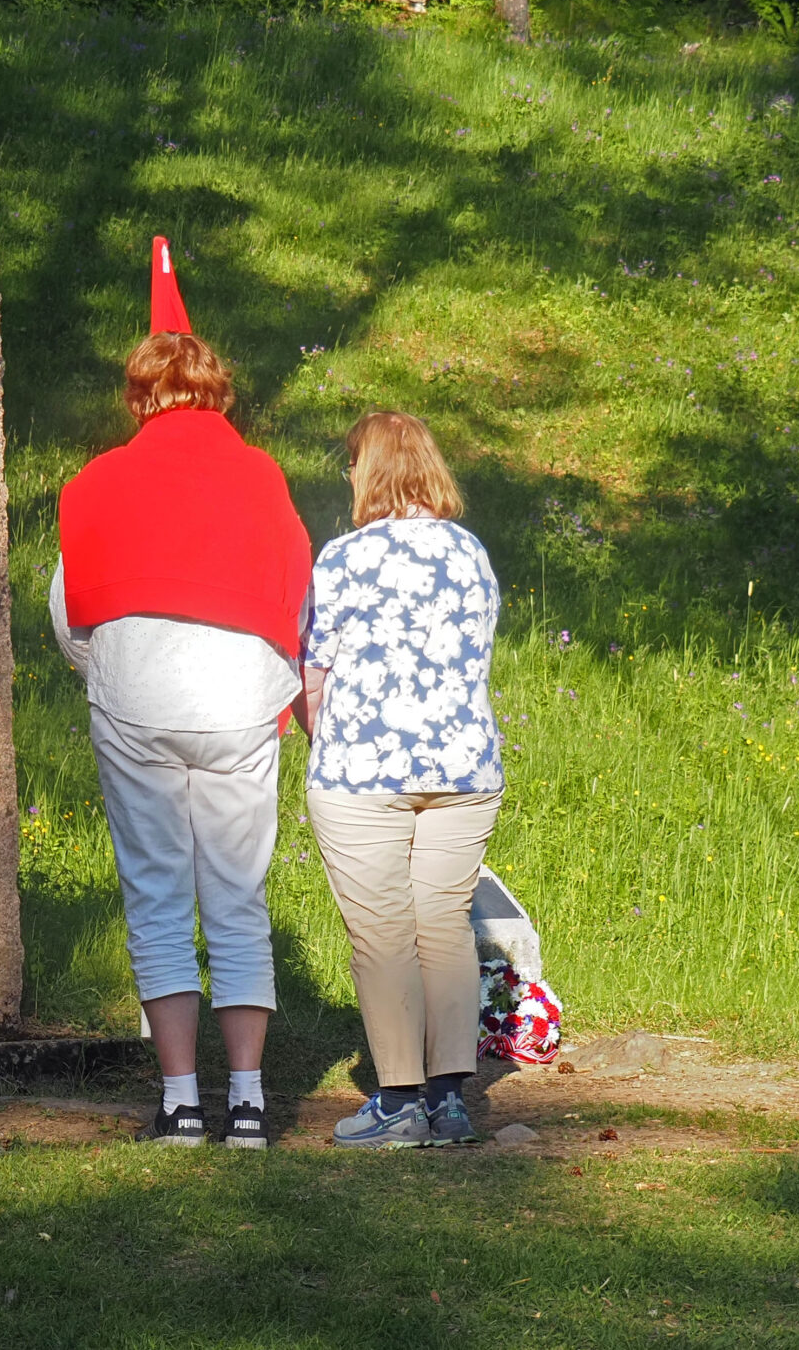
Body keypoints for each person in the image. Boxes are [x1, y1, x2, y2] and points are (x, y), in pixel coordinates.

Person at [50, 246, 311, 1147]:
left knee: (158, 893)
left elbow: (68, 609)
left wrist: (104, 669)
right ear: (218, 396)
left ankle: (178, 1101)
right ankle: (248, 1099)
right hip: (240, 695)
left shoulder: (98, 481)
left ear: (140, 397)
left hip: (137, 692)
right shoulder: (263, 476)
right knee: (236, 893)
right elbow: (296, 592)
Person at [298, 411, 504, 1148]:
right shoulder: (472, 552)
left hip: (363, 770)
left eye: (353, 463)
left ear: (371, 471)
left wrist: (330, 739)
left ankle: (398, 1100)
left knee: (381, 932)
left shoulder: (343, 558)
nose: (348, 476)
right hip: (464, 767)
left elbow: (313, 670)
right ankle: (451, 1100)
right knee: (444, 923)